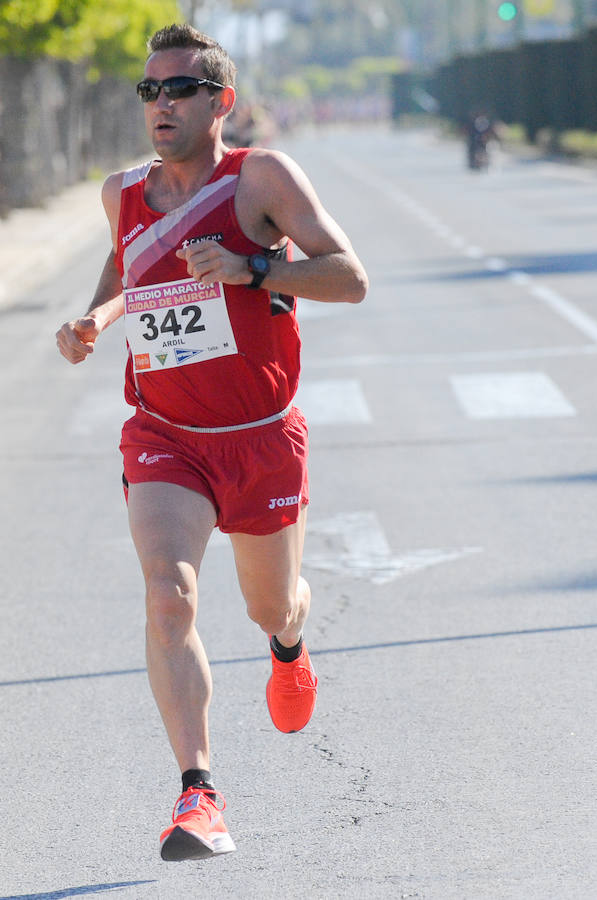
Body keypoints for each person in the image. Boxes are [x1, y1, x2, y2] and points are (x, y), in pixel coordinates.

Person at [56, 23, 368, 862]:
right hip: (165, 435)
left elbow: (349, 276)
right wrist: (96, 318)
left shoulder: (260, 178)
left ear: (220, 101)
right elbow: (127, 273)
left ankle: (288, 644)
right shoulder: (122, 191)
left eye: (179, 90)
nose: (159, 105)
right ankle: (199, 795)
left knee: (273, 602)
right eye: (149, 91)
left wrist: (256, 270)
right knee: (169, 594)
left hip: (259, 436)